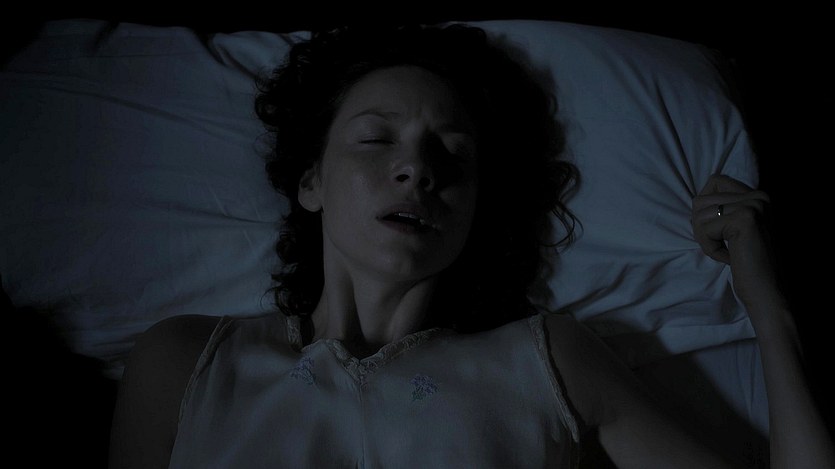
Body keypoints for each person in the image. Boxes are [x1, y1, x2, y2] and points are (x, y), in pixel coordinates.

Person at [108, 23, 835, 468]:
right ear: (311, 181)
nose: (416, 169)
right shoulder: (185, 362)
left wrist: (765, 302)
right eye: (376, 139)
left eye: (451, 153)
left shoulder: (548, 359)